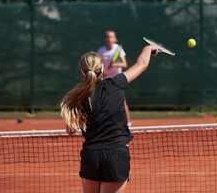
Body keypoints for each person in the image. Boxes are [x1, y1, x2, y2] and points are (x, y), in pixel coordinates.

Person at [60, 45, 158, 193]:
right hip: (116, 156)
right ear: (103, 70)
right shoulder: (116, 84)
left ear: (82, 74)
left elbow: (70, 130)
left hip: (91, 156)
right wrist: (148, 48)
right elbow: (142, 64)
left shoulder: (77, 98)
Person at [97, 30, 132, 127]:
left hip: (117, 79)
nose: (109, 39)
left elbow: (124, 64)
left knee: (122, 102)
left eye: (112, 37)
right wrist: (103, 71)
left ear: (115, 39)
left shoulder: (118, 49)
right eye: (108, 37)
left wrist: (115, 64)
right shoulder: (101, 50)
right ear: (105, 39)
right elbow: (98, 64)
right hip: (105, 79)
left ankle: (128, 124)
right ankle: (105, 123)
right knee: (103, 101)